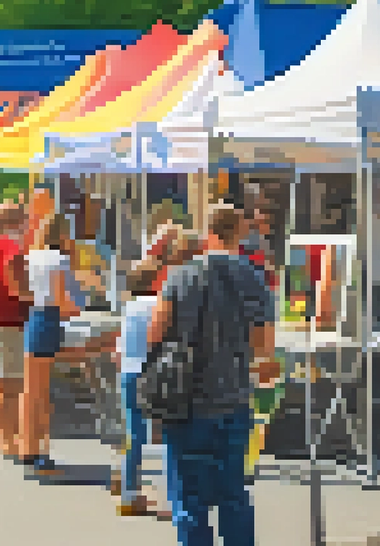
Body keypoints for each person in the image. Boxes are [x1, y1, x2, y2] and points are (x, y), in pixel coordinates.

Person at [147, 205, 278, 546]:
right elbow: (264, 344)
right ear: (239, 234)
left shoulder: (179, 276)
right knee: (233, 492)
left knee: (189, 498)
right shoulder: (254, 275)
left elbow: (155, 334)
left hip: (185, 399)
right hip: (234, 397)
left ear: (208, 232)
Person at [118, 226, 199, 517]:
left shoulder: (129, 308)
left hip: (128, 374)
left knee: (135, 436)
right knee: (167, 436)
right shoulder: (158, 305)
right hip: (155, 375)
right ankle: (171, 497)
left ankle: (129, 492)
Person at [20, 214, 81, 475]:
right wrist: (77, 309)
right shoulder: (60, 260)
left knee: (30, 390)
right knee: (43, 392)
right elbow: (61, 298)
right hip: (49, 320)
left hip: (33, 318)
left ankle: (27, 447)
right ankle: (43, 453)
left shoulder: (31, 257)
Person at [0, 203, 31, 462]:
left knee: (3, 382)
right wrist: (34, 296)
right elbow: (14, 285)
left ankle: (5, 437)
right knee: (13, 384)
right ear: (16, 221)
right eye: (25, 219)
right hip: (10, 320)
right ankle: (9, 440)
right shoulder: (11, 247)